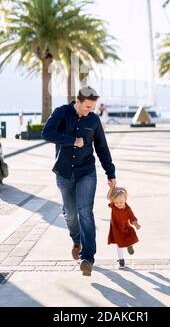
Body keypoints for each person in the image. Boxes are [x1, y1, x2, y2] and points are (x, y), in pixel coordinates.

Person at [42, 86, 116, 277]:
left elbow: (102, 147)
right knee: (70, 213)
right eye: (87, 107)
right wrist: (72, 140)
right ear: (78, 101)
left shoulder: (93, 119)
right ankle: (76, 239)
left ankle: (87, 258)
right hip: (64, 172)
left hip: (86, 171)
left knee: (85, 211)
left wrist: (110, 173)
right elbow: (47, 133)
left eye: (92, 107)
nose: (89, 111)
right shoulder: (61, 113)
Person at [107, 184, 141, 269]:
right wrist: (111, 188)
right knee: (119, 245)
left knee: (129, 238)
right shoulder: (113, 206)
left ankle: (129, 246)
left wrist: (136, 224)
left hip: (126, 227)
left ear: (125, 199)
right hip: (116, 229)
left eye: (121, 202)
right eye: (116, 202)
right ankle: (121, 261)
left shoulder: (127, 209)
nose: (118, 204)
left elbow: (132, 217)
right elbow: (108, 197)